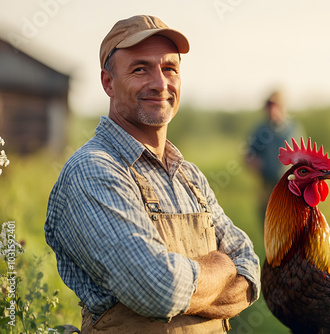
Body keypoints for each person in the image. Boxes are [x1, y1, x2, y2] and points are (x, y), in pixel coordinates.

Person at [45, 15, 260, 334]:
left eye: (170, 68)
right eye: (140, 68)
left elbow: (251, 272)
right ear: (108, 82)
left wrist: (188, 288)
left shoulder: (190, 177)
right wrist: (224, 266)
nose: (160, 83)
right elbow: (159, 291)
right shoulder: (93, 170)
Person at [246, 90, 303, 220]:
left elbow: (303, 156)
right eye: (269, 106)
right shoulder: (261, 130)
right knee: (269, 222)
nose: (272, 109)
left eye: (275, 105)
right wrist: (254, 162)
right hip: (267, 186)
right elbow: (249, 153)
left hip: (291, 187)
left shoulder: (293, 129)